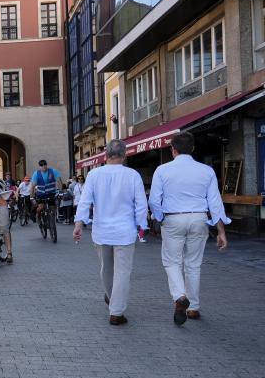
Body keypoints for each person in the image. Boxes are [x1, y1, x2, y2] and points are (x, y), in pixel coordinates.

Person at [148, 131, 230, 325]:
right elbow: (215, 202)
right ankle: (193, 308)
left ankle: (179, 296)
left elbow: (153, 200)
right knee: (193, 264)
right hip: (199, 218)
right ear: (192, 149)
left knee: (172, 262)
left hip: (173, 219)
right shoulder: (206, 171)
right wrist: (221, 231)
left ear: (172, 149)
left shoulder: (162, 170)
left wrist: (160, 218)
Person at [73, 140, 148, 325]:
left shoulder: (93, 174)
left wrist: (78, 224)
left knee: (106, 268)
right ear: (125, 155)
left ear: (106, 155)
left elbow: (85, 201)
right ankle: (116, 311)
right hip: (125, 231)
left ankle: (110, 296)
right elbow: (141, 204)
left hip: (102, 231)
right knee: (122, 272)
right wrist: (142, 226)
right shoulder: (132, 175)